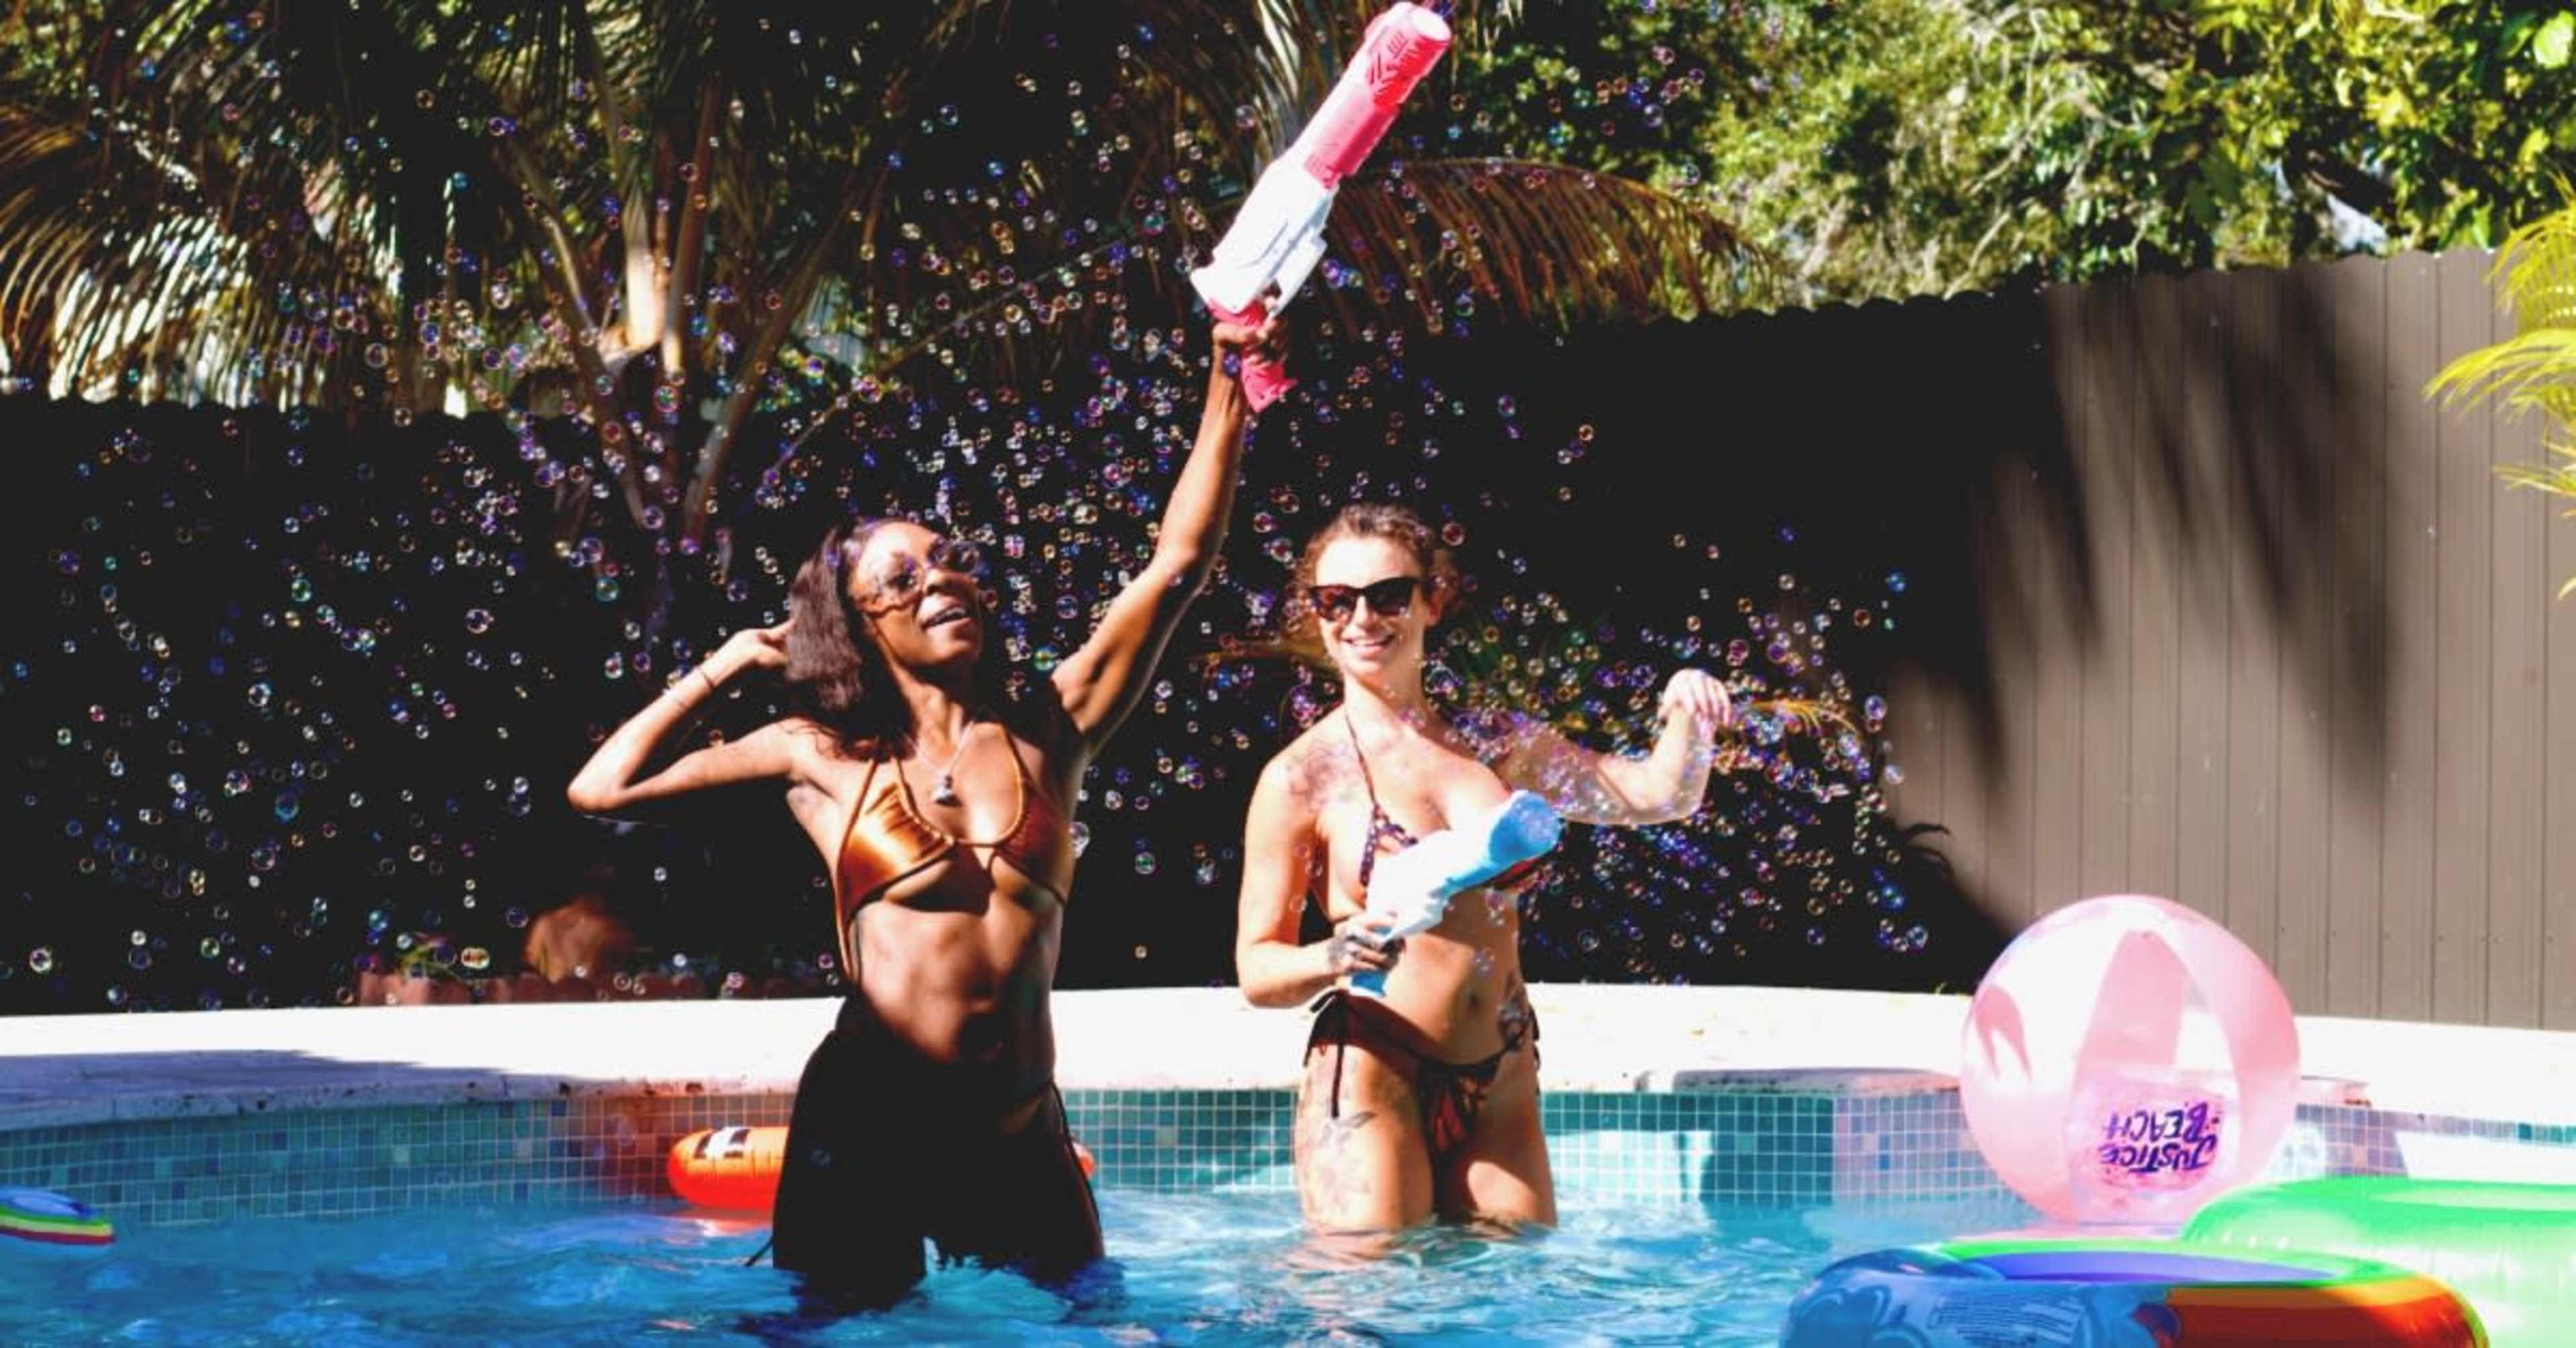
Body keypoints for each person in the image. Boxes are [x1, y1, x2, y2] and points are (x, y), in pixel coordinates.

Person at [566, 316, 1285, 1307]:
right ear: (862, 624)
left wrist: (1227, 385)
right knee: (828, 1333)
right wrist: (727, 662)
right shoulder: (818, 756)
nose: (939, 576)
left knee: (1102, 1322)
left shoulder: (1052, 726)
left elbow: (1178, 565)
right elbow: (601, 788)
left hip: (1020, 1126)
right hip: (868, 1123)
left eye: (947, 558)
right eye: (900, 577)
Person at [1232, 502, 1739, 1238]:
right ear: (1317, 613)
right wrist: (1332, 954)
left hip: (1499, 1075)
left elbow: (1660, 796)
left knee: (1512, 1298)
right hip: (1376, 1066)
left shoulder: (1496, 744)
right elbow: (1257, 967)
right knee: (1366, 1309)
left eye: (1388, 596)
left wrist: (1686, 714)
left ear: (1432, 601)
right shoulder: (1304, 778)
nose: (1362, 619)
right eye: (1337, 601)